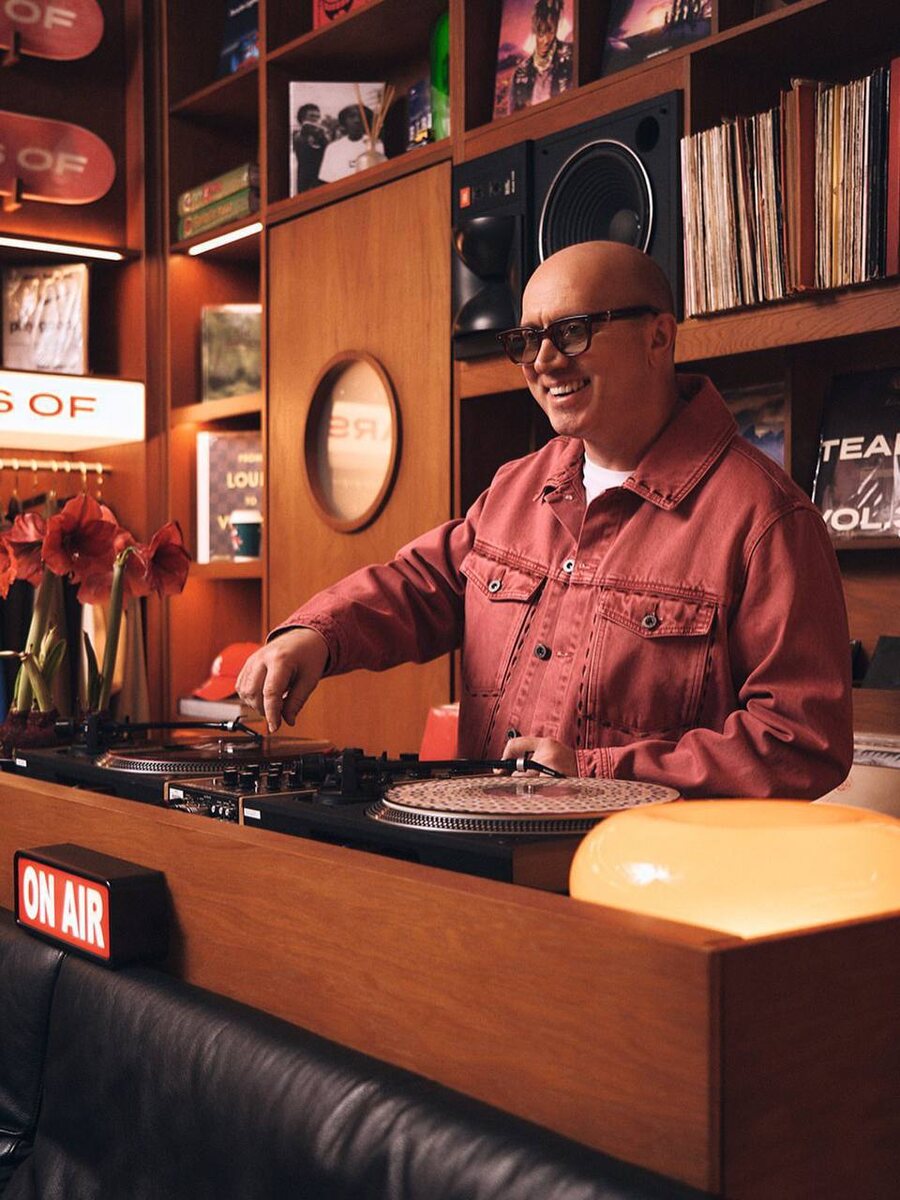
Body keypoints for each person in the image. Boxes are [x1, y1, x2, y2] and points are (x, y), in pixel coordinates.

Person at [237, 241, 853, 798]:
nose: (545, 361)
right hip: (480, 860)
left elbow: (801, 742)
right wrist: (315, 635)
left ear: (659, 337)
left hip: (636, 875)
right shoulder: (519, 485)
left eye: (573, 331)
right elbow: (422, 585)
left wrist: (598, 771)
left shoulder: (767, 520)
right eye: (529, 340)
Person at [509, 0, 573, 114]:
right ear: (535, 30)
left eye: (551, 31)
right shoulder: (520, 73)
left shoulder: (571, 56)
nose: (546, 40)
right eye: (542, 33)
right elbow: (513, 117)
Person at [317, 104, 382, 185]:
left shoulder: (376, 144)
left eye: (361, 117)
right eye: (352, 116)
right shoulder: (332, 148)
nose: (357, 120)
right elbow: (326, 179)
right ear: (344, 122)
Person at [293, 103, 327, 194]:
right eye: (312, 116)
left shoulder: (320, 134)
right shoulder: (300, 135)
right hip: (308, 182)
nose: (315, 119)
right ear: (303, 118)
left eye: (317, 117)